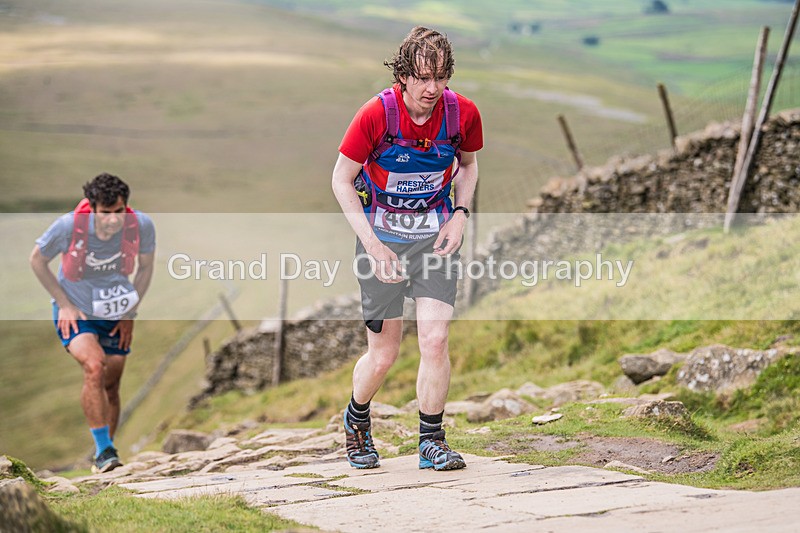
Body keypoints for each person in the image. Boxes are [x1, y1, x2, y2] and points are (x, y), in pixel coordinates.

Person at [332, 26, 483, 471]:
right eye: (421, 78)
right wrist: (373, 245)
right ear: (403, 76)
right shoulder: (375, 115)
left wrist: (460, 213)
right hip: (381, 239)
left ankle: (431, 442)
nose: (432, 88)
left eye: (440, 77)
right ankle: (357, 419)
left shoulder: (463, 114)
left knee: (435, 340)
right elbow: (340, 179)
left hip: (435, 237)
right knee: (384, 354)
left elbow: (469, 167)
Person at [30, 173, 155, 473]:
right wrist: (64, 304)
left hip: (115, 310)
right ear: (93, 207)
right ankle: (103, 450)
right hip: (78, 311)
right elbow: (37, 260)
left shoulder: (142, 225)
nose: (113, 220)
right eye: (105, 213)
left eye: (119, 212)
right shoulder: (67, 226)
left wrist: (129, 314)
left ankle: (106, 456)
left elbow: (145, 268)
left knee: (111, 386)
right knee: (94, 366)